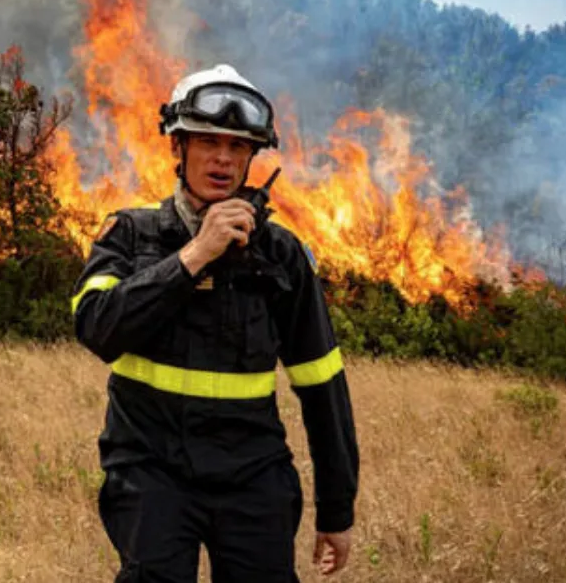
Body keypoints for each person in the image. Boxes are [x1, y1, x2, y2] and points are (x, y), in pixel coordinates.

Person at [71, 64, 360, 582]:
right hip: (150, 468)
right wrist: (195, 254)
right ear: (177, 148)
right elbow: (97, 328)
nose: (223, 158)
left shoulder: (282, 256)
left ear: (253, 158)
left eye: (238, 146)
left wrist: (337, 511)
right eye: (207, 141)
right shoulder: (129, 235)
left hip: (253, 476)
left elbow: (323, 387)